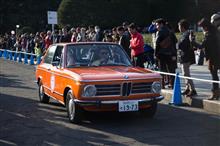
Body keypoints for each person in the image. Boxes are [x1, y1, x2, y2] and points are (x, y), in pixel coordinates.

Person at [191, 18, 220, 100]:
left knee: (214, 75)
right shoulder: (215, 32)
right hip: (216, 55)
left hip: (213, 57)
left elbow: (201, 46)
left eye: (202, 27)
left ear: (206, 27)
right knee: (215, 75)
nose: (202, 28)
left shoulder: (209, 35)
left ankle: (215, 93)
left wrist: (192, 41)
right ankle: (216, 92)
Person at [155, 18, 177, 88]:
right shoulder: (170, 31)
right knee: (171, 70)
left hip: (161, 54)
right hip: (170, 53)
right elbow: (175, 41)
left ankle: (162, 85)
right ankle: (172, 84)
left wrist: (155, 54)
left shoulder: (160, 32)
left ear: (161, 24)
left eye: (157, 25)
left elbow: (157, 44)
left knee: (162, 70)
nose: (156, 27)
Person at [178, 19, 197, 96]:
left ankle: (193, 89)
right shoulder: (184, 34)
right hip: (183, 56)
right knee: (184, 73)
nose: (178, 28)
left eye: (179, 26)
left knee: (186, 73)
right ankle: (187, 88)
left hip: (186, 56)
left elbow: (185, 45)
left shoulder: (188, 34)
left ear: (182, 27)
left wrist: (178, 45)